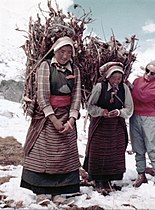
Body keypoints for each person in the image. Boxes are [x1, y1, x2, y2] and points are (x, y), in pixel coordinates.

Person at [20, 36, 81, 205]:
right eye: (62, 51)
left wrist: (72, 119)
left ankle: (61, 190)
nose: (65, 56)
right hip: (47, 116)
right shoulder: (45, 66)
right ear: (55, 51)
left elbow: (76, 95)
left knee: (64, 155)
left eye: (69, 52)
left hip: (66, 115)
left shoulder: (74, 69)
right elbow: (42, 95)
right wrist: (53, 119)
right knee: (43, 153)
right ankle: (41, 190)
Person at [83, 61, 134, 195]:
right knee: (98, 151)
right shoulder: (100, 87)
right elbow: (90, 106)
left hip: (116, 126)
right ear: (107, 77)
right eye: (113, 78)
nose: (116, 81)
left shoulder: (124, 89)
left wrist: (118, 112)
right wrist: (101, 111)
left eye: (119, 78)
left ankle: (109, 179)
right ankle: (97, 179)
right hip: (100, 124)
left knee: (114, 152)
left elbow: (129, 108)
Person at [129, 60, 155, 187]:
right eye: (147, 70)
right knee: (138, 147)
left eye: (153, 73)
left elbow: (143, 97)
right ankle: (141, 174)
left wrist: (131, 88)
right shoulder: (137, 81)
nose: (149, 74)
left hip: (149, 118)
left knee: (153, 148)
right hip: (135, 116)